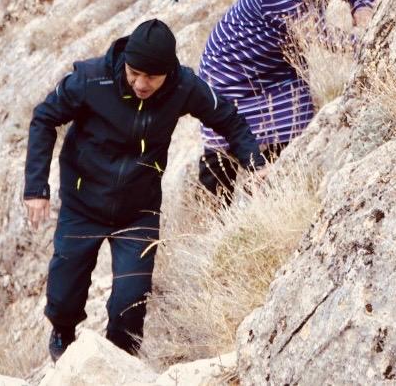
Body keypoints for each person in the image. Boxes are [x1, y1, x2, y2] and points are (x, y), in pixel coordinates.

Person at [23, 18, 264, 361]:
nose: (140, 83)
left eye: (151, 76)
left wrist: (254, 163)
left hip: (138, 211)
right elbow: (44, 118)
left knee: (130, 305)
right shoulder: (92, 78)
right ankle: (63, 333)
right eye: (134, 72)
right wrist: (36, 187)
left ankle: (117, 363)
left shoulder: (184, 87)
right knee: (63, 297)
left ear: (168, 72)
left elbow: (229, 118)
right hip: (82, 205)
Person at [196, 0, 376, 202]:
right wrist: (373, 41)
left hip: (278, 70)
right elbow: (322, 38)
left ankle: (275, 200)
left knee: (291, 139)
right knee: (225, 150)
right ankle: (214, 213)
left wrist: (362, 5)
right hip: (231, 72)